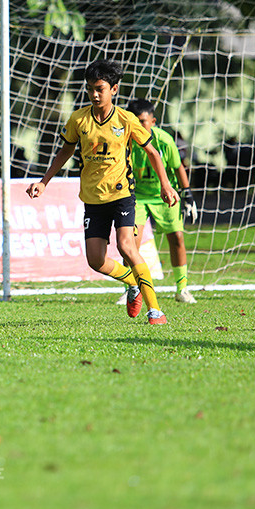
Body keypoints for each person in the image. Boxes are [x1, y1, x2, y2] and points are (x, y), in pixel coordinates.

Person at [26, 59, 179, 325]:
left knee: (126, 246)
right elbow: (65, 151)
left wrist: (166, 185)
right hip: (92, 199)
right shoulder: (78, 119)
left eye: (100, 88)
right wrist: (44, 182)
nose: (94, 94)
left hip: (122, 195)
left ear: (114, 89)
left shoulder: (126, 120)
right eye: (90, 89)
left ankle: (155, 310)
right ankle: (132, 283)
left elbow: (152, 152)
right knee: (95, 261)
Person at [115, 98, 198, 306]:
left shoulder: (164, 141)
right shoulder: (124, 141)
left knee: (177, 238)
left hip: (164, 194)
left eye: (143, 122)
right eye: (135, 121)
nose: (139, 126)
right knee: (130, 242)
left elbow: (178, 167)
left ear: (153, 121)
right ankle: (131, 288)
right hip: (137, 197)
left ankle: (182, 288)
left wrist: (187, 194)